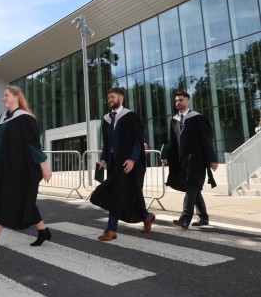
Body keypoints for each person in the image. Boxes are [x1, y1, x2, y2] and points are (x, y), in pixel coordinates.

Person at [0, 85, 52, 259]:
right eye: (3, 96)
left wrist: (44, 166)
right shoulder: (3, 118)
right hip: (2, 168)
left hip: (18, 168)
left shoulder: (24, 118)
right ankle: (43, 231)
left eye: (6, 95)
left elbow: (33, 145)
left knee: (4, 201)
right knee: (21, 201)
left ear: (16, 97)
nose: (3, 98)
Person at [90, 87, 155, 241]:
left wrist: (132, 159)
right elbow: (106, 143)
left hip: (128, 164)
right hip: (113, 164)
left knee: (118, 194)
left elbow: (138, 140)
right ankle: (146, 216)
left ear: (121, 98)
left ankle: (111, 230)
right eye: (108, 97)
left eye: (112, 97)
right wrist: (103, 159)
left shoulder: (131, 116)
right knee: (123, 194)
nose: (110, 100)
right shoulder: (106, 119)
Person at [164, 91, 218, 229]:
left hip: (196, 159)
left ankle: (185, 218)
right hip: (182, 161)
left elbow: (207, 140)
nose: (178, 103)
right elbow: (171, 141)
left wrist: (212, 159)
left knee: (191, 185)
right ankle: (204, 217)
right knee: (194, 188)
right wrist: (166, 156)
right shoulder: (174, 120)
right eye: (176, 100)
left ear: (187, 101)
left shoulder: (197, 118)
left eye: (181, 100)